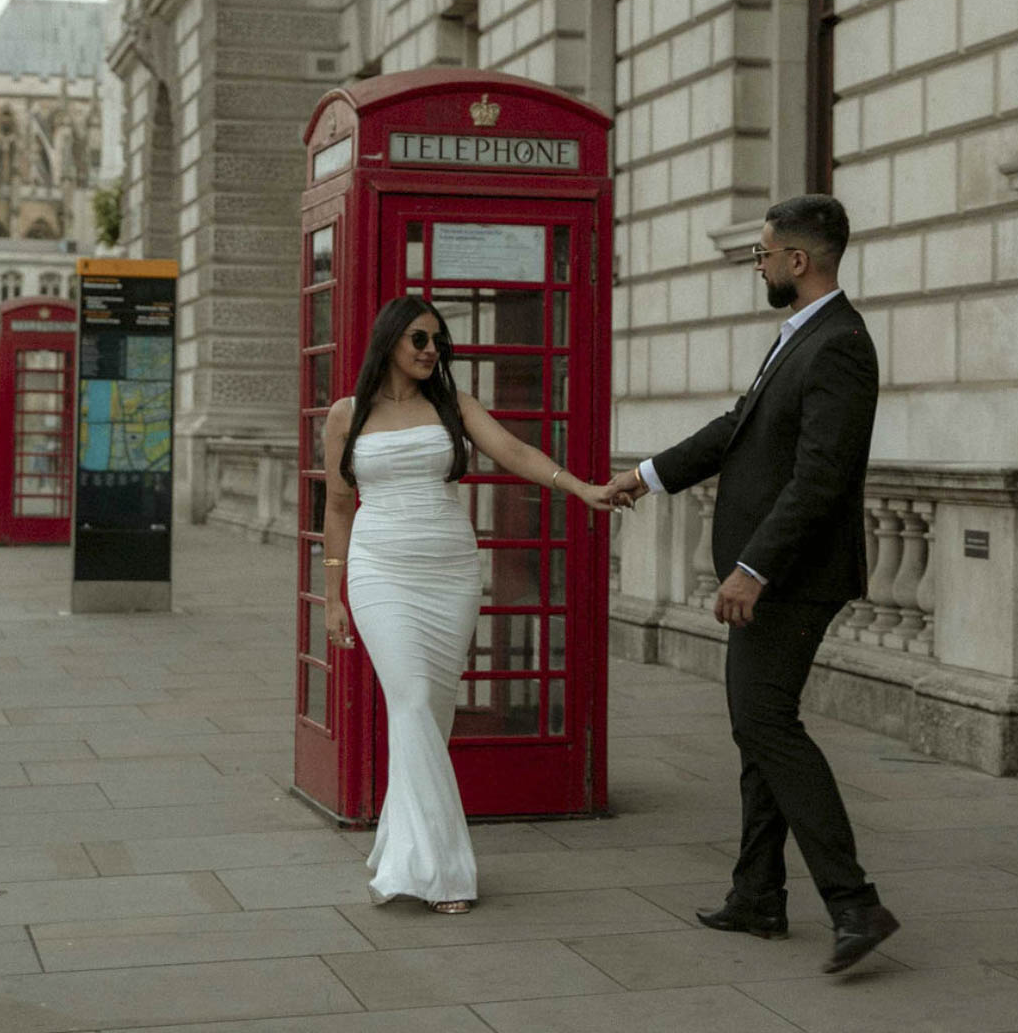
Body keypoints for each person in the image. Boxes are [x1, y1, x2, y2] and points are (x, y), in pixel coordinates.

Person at [604, 194, 894, 975]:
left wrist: (753, 568)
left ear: (797, 261)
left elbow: (820, 477)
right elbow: (738, 427)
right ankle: (758, 893)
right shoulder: (802, 337)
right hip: (777, 571)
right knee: (755, 722)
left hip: (794, 576)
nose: (758, 265)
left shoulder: (839, 345)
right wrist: (644, 476)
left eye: (762, 254)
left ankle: (854, 901)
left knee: (766, 723)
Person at [320, 295, 611, 914]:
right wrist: (333, 596)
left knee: (429, 716)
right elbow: (339, 506)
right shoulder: (346, 415)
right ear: (390, 340)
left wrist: (580, 487)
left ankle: (400, 847)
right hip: (380, 571)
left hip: (450, 573)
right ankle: (443, 874)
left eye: (436, 342)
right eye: (418, 340)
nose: (430, 351)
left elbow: (516, 453)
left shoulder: (455, 407)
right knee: (415, 702)